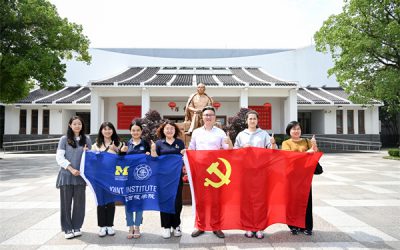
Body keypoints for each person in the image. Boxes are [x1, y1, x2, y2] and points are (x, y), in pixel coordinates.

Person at [188, 106, 232, 239]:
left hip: (216, 171)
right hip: (200, 169)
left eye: (211, 115)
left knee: (215, 200)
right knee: (200, 199)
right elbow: (192, 148)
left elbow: (228, 150)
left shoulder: (220, 132)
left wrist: (230, 143)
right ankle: (200, 226)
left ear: (215, 118)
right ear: (202, 117)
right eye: (206, 115)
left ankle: (216, 226)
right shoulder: (196, 132)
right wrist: (186, 153)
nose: (208, 117)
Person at [233, 110, 277, 239]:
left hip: (260, 171)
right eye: (250, 118)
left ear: (257, 120)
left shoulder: (263, 134)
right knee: (246, 200)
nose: (252, 121)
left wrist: (273, 143)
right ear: (246, 120)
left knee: (260, 200)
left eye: (254, 119)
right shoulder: (241, 135)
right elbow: (234, 152)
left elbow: (272, 151)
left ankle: (259, 227)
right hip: (245, 172)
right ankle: (248, 226)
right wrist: (242, 149)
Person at [56, 116, 92, 239]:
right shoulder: (64, 139)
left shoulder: (86, 139)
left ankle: (77, 226)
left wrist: (87, 152)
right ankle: (67, 228)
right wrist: (71, 169)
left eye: (80, 124)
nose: (77, 126)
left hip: (80, 177)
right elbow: (59, 158)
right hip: (66, 175)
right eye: (75, 124)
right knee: (66, 204)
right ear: (70, 125)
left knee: (79, 204)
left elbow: (90, 159)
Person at [282, 121, 318, 236]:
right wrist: (307, 153)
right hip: (292, 176)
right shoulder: (286, 143)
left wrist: (314, 145)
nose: (296, 131)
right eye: (293, 129)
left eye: (298, 128)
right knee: (293, 201)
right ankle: (293, 226)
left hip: (305, 176)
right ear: (289, 131)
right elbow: (289, 157)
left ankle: (307, 227)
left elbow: (315, 154)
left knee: (306, 201)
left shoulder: (307, 141)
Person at [150, 120, 185, 239]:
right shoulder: (159, 143)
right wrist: (153, 150)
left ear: (175, 130)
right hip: (162, 178)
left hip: (176, 177)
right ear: (163, 130)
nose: (169, 130)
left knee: (177, 201)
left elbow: (183, 158)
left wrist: (185, 154)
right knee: (165, 201)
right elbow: (154, 160)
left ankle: (176, 225)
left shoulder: (180, 143)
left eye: (171, 128)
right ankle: (166, 226)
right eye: (167, 128)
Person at [91, 122, 124, 237]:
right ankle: (102, 226)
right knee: (100, 201)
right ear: (101, 131)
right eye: (105, 129)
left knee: (110, 201)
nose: (107, 131)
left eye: (110, 129)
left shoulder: (119, 144)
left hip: (112, 178)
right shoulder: (95, 145)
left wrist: (116, 150)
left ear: (113, 131)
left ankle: (109, 225)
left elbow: (123, 160)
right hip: (99, 178)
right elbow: (91, 161)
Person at [120, 120, 150, 239]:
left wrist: (149, 154)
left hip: (142, 178)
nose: (135, 132)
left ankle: (137, 226)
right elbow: (120, 161)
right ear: (130, 132)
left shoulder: (145, 144)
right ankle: (130, 226)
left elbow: (151, 159)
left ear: (141, 131)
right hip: (128, 178)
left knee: (139, 201)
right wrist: (121, 152)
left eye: (138, 130)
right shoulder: (126, 144)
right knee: (128, 202)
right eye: (133, 130)